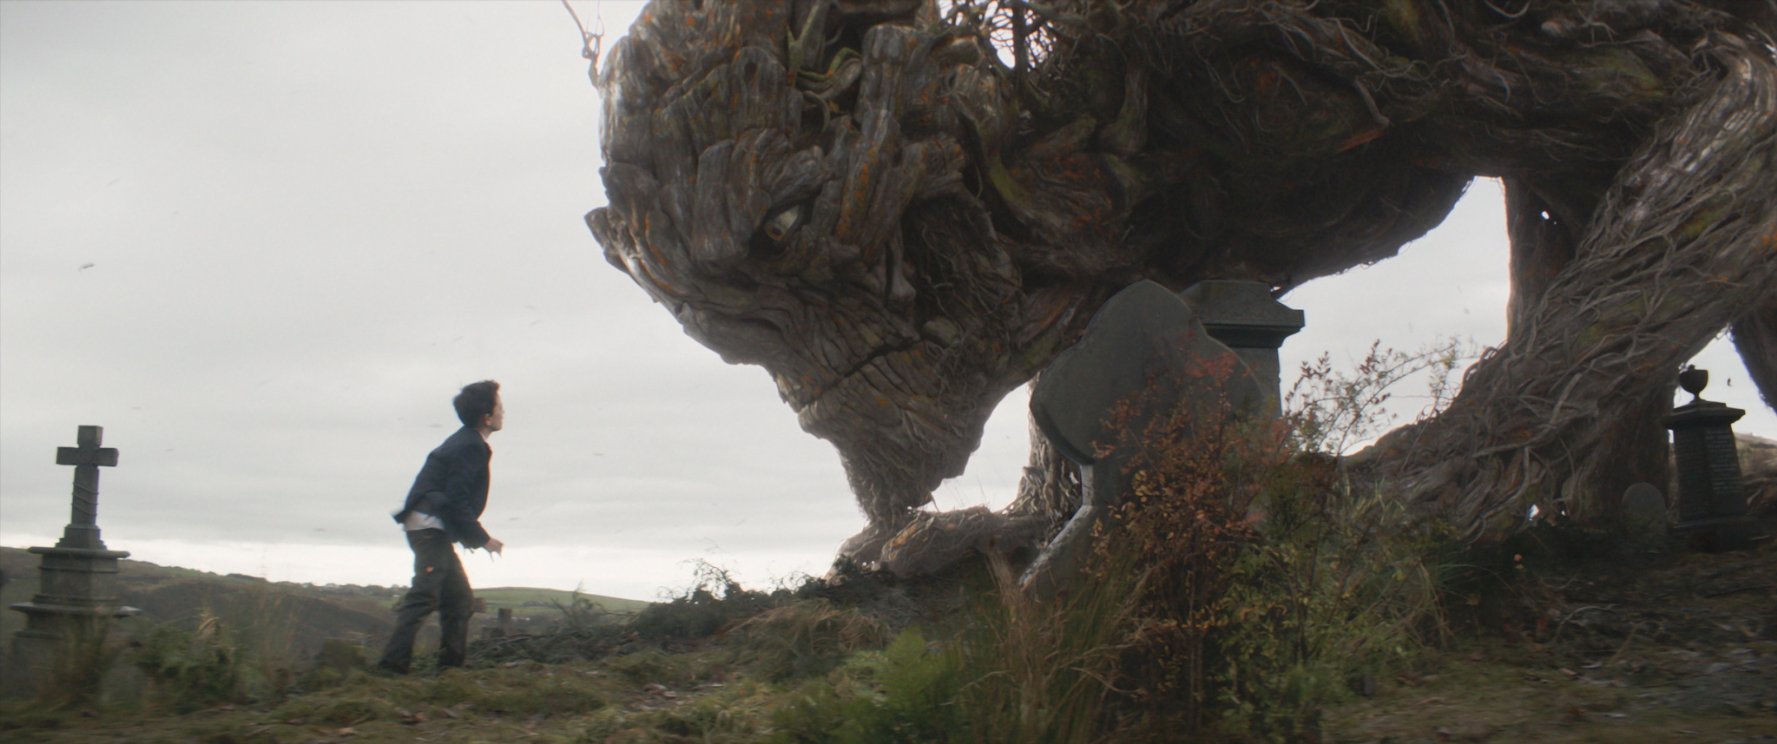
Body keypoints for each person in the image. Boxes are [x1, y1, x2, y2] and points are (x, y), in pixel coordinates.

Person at [377, 380, 506, 674]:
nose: (503, 412)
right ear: (486, 416)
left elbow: (452, 500)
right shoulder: (470, 446)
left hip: (430, 526)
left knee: (459, 600)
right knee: (424, 596)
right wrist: (483, 539)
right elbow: (457, 499)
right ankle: (391, 668)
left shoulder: (467, 442)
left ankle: (450, 671)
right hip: (428, 527)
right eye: (500, 407)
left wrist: (470, 536)